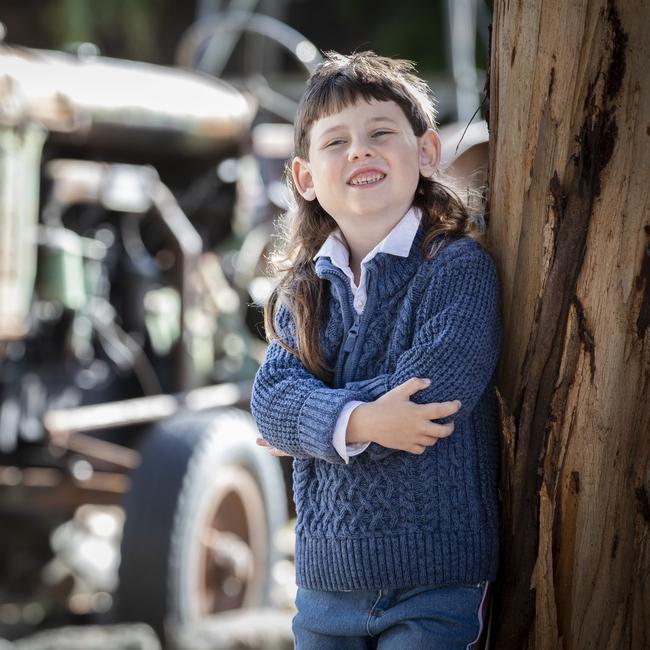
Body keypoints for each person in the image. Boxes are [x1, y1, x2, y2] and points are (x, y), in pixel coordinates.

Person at [250, 50, 501, 649]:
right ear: (305, 178)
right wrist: (361, 419)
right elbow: (269, 401)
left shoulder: (457, 270)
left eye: (381, 133)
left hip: (436, 585)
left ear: (426, 153)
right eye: (335, 142)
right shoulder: (305, 288)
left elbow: (431, 398)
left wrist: (313, 420)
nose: (360, 150)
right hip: (324, 588)